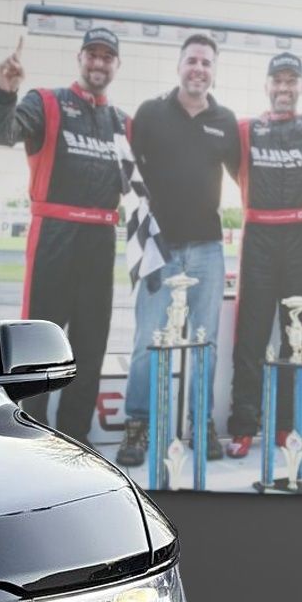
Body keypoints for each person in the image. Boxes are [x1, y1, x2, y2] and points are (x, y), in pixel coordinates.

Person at [0, 27, 126, 443]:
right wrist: (4, 93)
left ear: (116, 65)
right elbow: (1, 132)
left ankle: (78, 442)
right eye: (92, 55)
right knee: (37, 347)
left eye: (107, 57)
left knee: (90, 346)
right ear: (80, 58)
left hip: (102, 240)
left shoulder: (122, 122)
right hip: (54, 235)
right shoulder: (45, 102)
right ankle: (32, 439)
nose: (99, 63)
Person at [117, 34, 238, 468]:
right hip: (158, 247)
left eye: (206, 62)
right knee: (149, 341)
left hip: (207, 247)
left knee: (202, 343)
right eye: (192, 61)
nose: (198, 69)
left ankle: (200, 425)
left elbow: (249, 179)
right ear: (179, 65)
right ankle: (138, 424)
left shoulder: (226, 121)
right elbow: (125, 169)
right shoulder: (151, 112)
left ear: (214, 70)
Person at [222, 53, 302, 460]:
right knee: (249, 336)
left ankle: (285, 425)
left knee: (295, 338)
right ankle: (244, 425)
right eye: (277, 81)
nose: (284, 88)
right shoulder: (243, 129)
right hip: (258, 237)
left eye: (292, 81)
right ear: (266, 85)